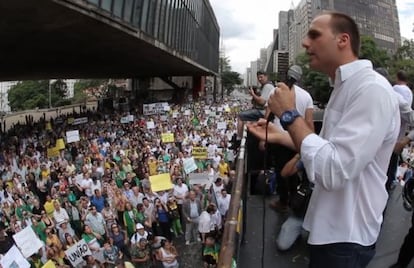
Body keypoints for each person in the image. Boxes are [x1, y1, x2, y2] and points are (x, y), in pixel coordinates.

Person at [266, 12, 400, 267]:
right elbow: (327, 149)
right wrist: (284, 137)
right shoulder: (343, 88)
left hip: (346, 237)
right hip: (329, 229)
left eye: (315, 34)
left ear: (343, 40)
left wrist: (289, 115)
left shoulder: (371, 90)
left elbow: (334, 168)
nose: (305, 42)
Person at [234, 70, 275, 148]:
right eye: (258, 77)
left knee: (240, 116)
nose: (259, 79)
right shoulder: (265, 86)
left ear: (266, 77)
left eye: (261, 77)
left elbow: (262, 102)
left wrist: (253, 94)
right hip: (264, 112)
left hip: (263, 112)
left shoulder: (268, 86)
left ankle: (238, 139)